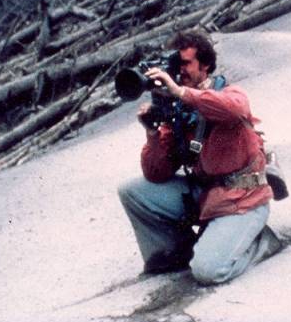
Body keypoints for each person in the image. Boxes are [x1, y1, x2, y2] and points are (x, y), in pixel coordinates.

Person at [117, 29, 282, 284]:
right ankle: (176, 255)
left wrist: (182, 92)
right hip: (205, 196)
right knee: (133, 191)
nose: (179, 71)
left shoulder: (227, 93)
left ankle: (262, 243)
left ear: (205, 65)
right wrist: (152, 132)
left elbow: (234, 109)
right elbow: (156, 173)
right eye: (176, 64)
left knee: (208, 271)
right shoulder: (180, 112)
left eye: (185, 63)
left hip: (242, 199)